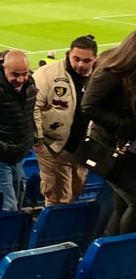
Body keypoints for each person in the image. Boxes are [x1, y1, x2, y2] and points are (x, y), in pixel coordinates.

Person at [81, 30, 136, 236]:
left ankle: (111, 250)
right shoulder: (111, 73)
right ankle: (124, 251)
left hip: (122, 147)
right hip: (106, 148)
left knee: (120, 204)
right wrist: (125, 125)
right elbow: (89, 106)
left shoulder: (127, 73)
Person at [33, 35, 98, 206]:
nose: (80, 65)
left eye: (86, 60)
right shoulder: (47, 74)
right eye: (76, 59)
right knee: (58, 198)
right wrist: (38, 140)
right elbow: (33, 107)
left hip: (83, 146)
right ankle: (53, 231)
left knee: (76, 191)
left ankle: (68, 229)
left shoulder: (100, 77)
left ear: (95, 59)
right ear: (68, 53)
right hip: (52, 145)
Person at [0, 50, 37, 211]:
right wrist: (2, 147)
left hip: (17, 155)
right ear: (3, 68)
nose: (21, 79)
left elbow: (28, 117)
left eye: (24, 74)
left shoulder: (30, 85)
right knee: (8, 205)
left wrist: (30, 140)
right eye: (15, 74)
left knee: (19, 197)